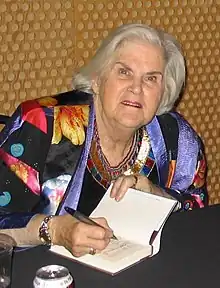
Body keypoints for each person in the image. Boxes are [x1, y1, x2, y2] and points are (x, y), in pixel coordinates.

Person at [0, 23, 207, 257]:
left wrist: (157, 195)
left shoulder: (177, 139)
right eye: (124, 72)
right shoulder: (42, 124)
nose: (136, 88)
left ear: (164, 92)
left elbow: (197, 210)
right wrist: (55, 230)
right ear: (97, 80)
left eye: (151, 78)